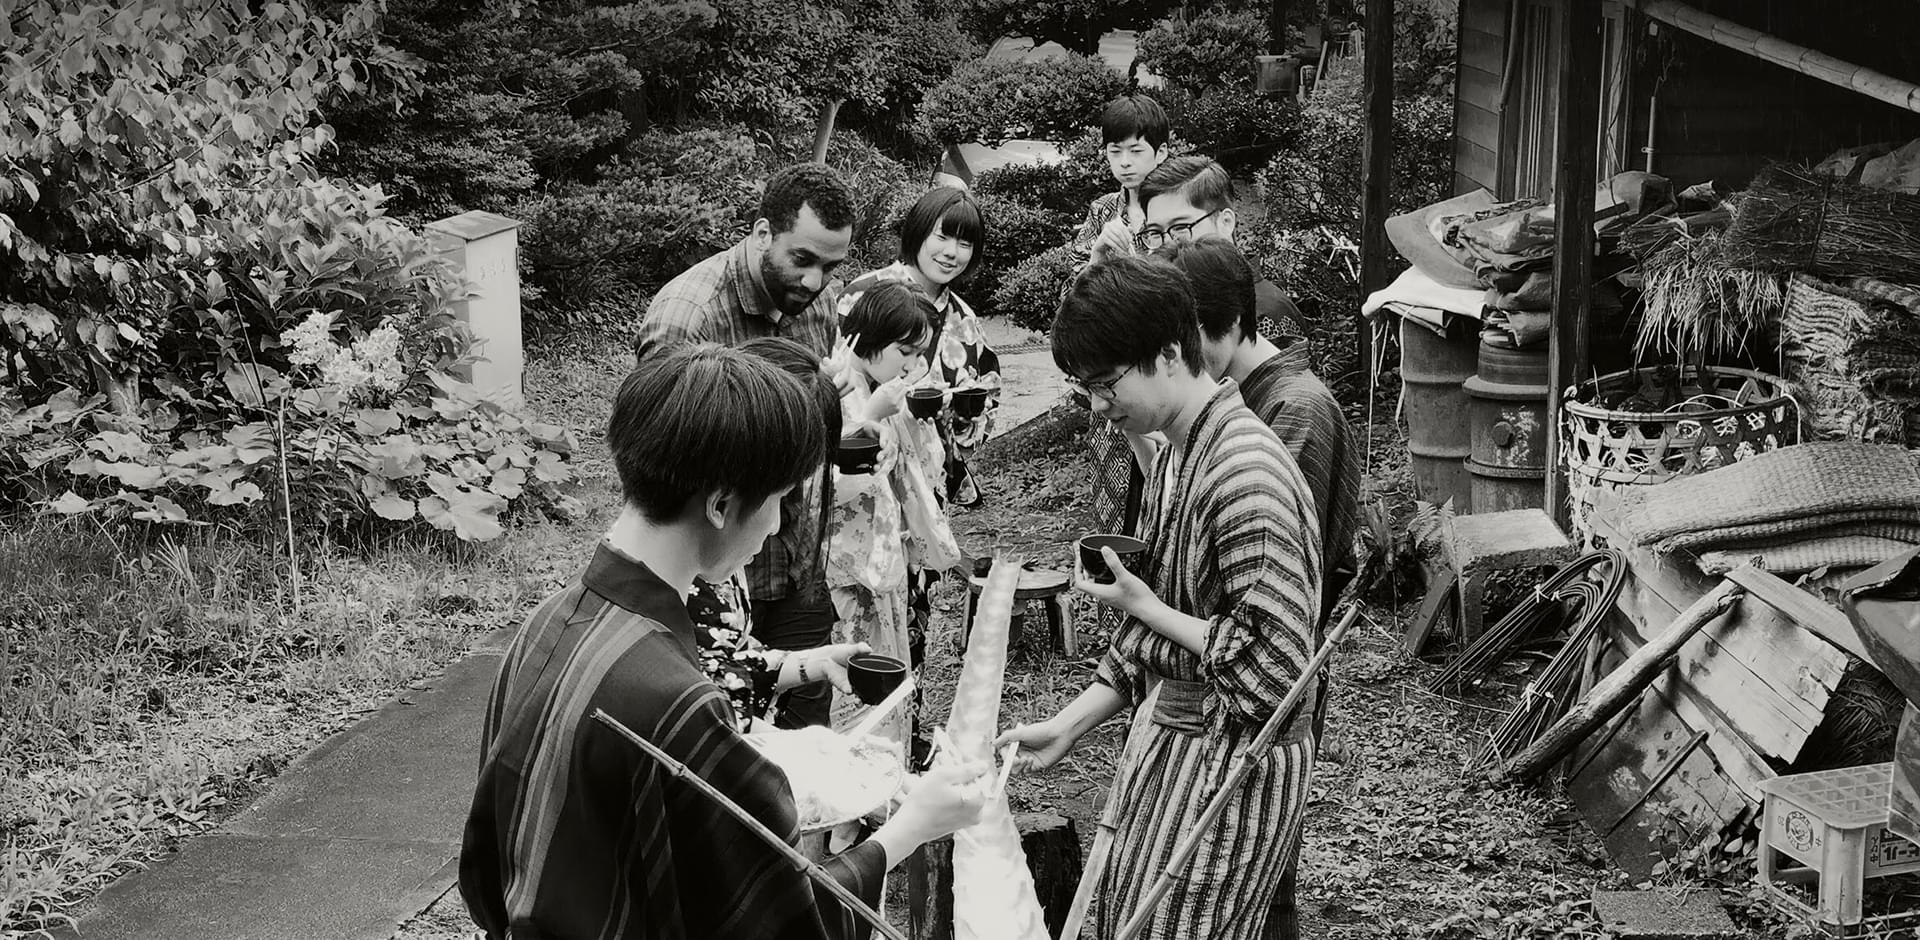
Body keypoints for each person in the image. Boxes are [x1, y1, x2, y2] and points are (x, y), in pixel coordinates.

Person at [461, 344, 992, 940]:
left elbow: (489, 857)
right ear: (720, 504)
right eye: (779, 501)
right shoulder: (675, 701)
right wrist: (914, 824)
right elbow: (787, 921)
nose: (775, 525)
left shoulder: (544, 624)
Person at [996, 257, 1323, 940]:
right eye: (1085, 387)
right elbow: (1155, 642)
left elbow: (1276, 671)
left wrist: (1146, 607)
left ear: (1171, 353)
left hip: (1233, 765)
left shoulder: (1245, 475)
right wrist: (1069, 723)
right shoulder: (1176, 453)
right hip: (1174, 738)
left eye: (1106, 383)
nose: (1096, 404)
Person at [1156, 237, 1360, 940]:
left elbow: (1270, 584)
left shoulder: (1294, 410)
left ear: (1239, 326)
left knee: (1255, 863)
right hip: (1212, 664)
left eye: (1193, 343)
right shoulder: (1228, 401)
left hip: (1267, 667)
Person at [634, 163, 858, 729]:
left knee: (809, 730)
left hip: (796, 552)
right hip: (708, 576)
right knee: (719, 734)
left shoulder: (819, 304)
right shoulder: (689, 316)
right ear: (762, 233)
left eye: (831, 268)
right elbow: (658, 468)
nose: (814, 283)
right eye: (801, 260)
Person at [692, 336, 863, 730]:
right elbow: (715, 725)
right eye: (782, 495)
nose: (776, 524)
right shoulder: (688, 583)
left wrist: (807, 663)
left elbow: (727, 666)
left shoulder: (715, 563)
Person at [827, 282, 964, 760]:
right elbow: (819, 490)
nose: (910, 364)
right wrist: (869, 415)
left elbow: (922, 466)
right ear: (868, 334)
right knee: (853, 687)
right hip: (847, 573)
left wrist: (908, 414)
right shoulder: (834, 388)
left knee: (886, 680)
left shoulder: (881, 389)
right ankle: (853, 814)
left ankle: (879, 793)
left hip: (883, 563)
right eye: (904, 350)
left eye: (918, 353)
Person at [840, 186, 1000, 507]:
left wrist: (961, 417)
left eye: (965, 243)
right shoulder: (862, 296)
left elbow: (988, 401)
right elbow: (828, 383)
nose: (952, 252)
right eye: (941, 237)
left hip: (927, 488)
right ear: (918, 231)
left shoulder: (965, 321)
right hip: (860, 479)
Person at [1139, 155, 1306, 339]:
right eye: (1155, 232)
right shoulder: (1171, 306)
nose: (1167, 244)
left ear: (1225, 222)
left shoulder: (1267, 313)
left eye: (1180, 228)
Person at [1073, 93, 1172, 267]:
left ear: (1161, 152)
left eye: (1136, 151)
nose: (1124, 162)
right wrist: (1097, 257)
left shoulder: (1181, 206)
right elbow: (1073, 291)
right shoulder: (1102, 210)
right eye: (1115, 152)